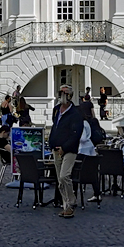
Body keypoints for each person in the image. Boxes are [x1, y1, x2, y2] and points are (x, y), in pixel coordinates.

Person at [47, 85, 83, 218]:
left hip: (69, 149)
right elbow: (55, 126)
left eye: (65, 92)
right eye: (60, 92)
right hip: (56, 149)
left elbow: (76, 134)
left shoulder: (75, 113)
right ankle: (66, 206)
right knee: (60, 180)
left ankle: (71, 202)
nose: (61, 94)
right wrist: (51, 143)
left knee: (64, 175)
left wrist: (65, 147)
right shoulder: (56, 110)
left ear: (70, 95)